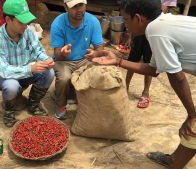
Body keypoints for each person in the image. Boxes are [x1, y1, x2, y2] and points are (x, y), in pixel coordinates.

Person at [87, 0, 196, 168]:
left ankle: (175, 163)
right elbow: (153, 69)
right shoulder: (162, 23)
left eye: (125, 19)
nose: (125, 25)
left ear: (137, 18)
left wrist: (191, 115)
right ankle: (175, 161)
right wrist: (118, 61)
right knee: (193, 131)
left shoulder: (155, 31)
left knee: (193, 127)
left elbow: (178, 77)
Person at [0, 0, 55, 127]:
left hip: (28, 70)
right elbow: (4, 70)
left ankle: (33, 104)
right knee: (11, 86)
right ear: (8, 19)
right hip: (6, 76)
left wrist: (46, 60)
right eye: (21, 22)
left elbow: (38, 50)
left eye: (27, 21)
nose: (25, 25)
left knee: (49, 73)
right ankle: (9, 112)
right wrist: (30, 69)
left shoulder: (28, 31)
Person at [50, 0, 104, 120]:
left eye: (81, 5)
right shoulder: (58, 23)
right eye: (74, 6)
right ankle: (61, 105)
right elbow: (56, 55)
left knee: (98, 70)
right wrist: (63, 53)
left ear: (86, 4)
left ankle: (86, 100)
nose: (79, 9)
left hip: (84, 59)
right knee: (64, 78)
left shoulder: (93, 21)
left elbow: (100, 48)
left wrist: (95, 53)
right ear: (65, 7)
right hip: (64, 61)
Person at [126, 35, 152, 108]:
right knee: (132, 61)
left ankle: (146, 92)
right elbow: (134, 23)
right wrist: (130, 37)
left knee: (149, 64)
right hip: (138, 35)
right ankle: (125, 87)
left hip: (152, 37)